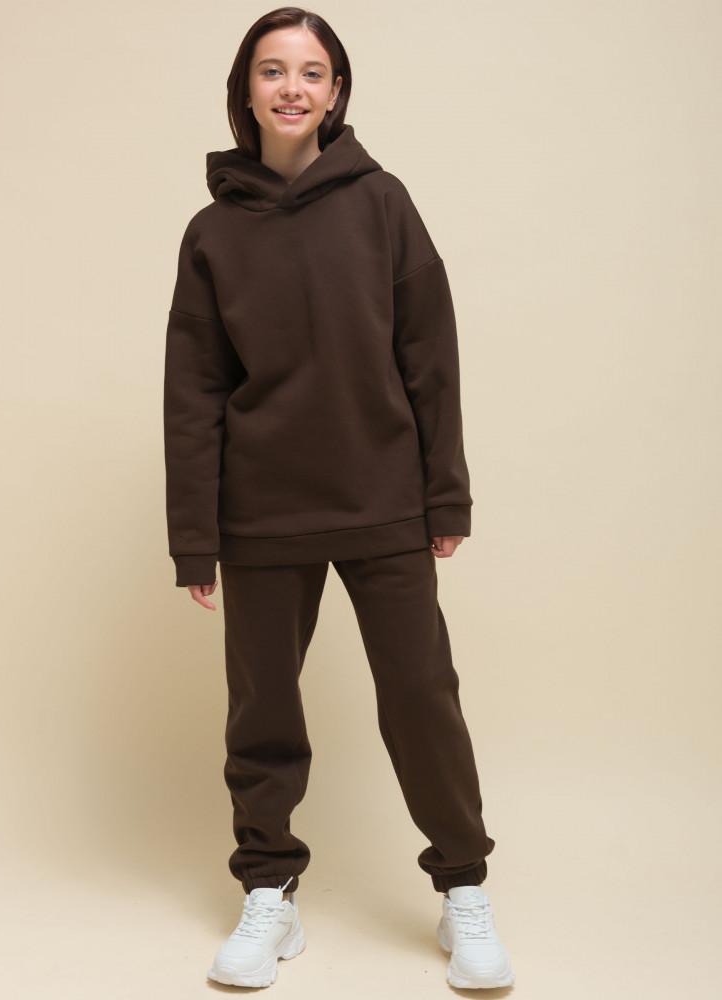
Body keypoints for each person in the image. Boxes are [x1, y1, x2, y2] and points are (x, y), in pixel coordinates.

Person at [163, 6, 514, 991]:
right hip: (260, 510)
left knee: (421, 695)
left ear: (336, 92)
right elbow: (192, 392)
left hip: (382, 494)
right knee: (263, 709)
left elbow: (430, 352)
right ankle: (268, 889)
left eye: (311, 71)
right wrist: (195, 537)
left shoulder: (383, 203)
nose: (292, 87)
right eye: (272, 70)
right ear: (245, 92)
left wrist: (445, 495)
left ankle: (463, 888)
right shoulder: (211, 233)